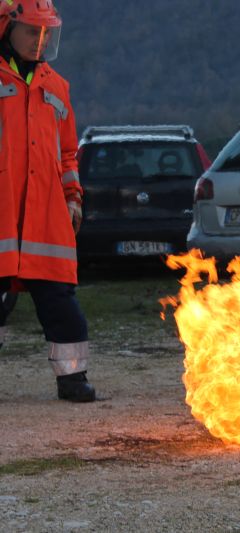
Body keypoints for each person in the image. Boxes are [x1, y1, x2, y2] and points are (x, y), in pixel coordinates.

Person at [0, 0, 95, 401]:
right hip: (3, 216)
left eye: (45, 33)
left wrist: (73, 197)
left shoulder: (56, 87)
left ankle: (72, 379)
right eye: (30, 31)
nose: (39, 41)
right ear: (6, 27)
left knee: (60, 303)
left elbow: (68, 154)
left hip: (45, 219)